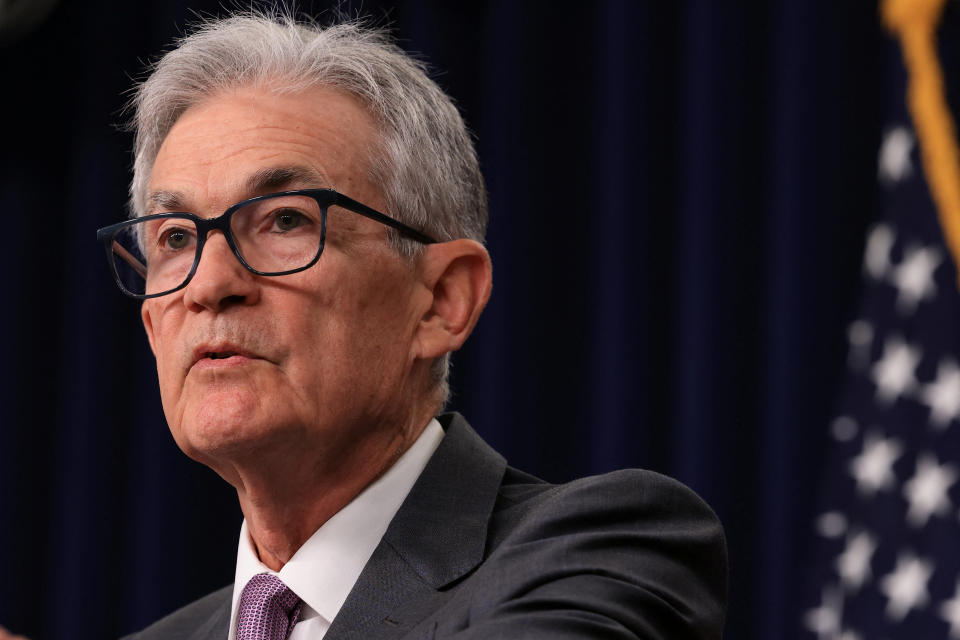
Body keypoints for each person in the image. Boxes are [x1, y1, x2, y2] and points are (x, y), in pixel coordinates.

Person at [90, 11, 728, 639]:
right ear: (152, 325)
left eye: (286, 220)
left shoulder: (609, 554)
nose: (207, 285)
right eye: (175, 237)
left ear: (442, 299)